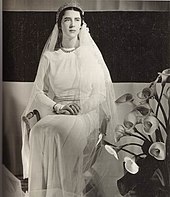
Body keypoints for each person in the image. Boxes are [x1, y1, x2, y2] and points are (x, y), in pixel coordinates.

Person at [21, 2, 117, 197]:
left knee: (61, 132)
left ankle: (66, 192)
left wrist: (80, 108)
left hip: (85, 113)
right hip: (59, 110)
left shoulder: (90, 56)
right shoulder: (50, 57)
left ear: (81, 25)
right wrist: (58, 106)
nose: (72, 24)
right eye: (67, 20)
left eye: (77, 20)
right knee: (39, 130)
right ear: (59, 25)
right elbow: (39, 91)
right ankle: (42, 193)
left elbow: (100, 93)